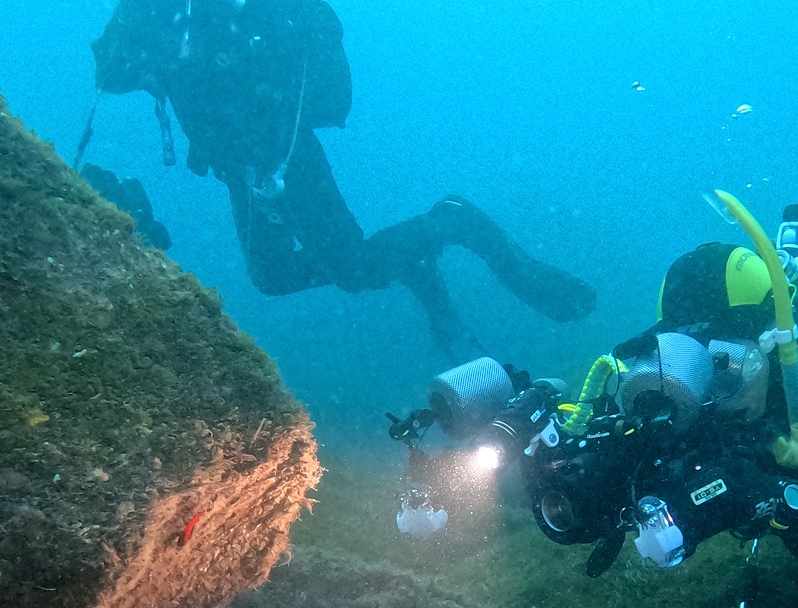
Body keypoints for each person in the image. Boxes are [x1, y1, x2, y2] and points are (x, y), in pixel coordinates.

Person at [390, 201, 798, 608]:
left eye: (725, 367)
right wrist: (532, 442)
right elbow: (621, 482)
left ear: (777, 341)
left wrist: (780, 501)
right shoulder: (718, 401)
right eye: (690, 364)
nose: (708, 389)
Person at [88, 0, 596, 358]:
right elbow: (111, 73)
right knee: (271, 276)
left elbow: (324, 93)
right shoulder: (165, 13)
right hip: (238, 167)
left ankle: (452, 222)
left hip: (286, 154)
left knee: (353, 270)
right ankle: (404, 256)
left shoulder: (242, 12)